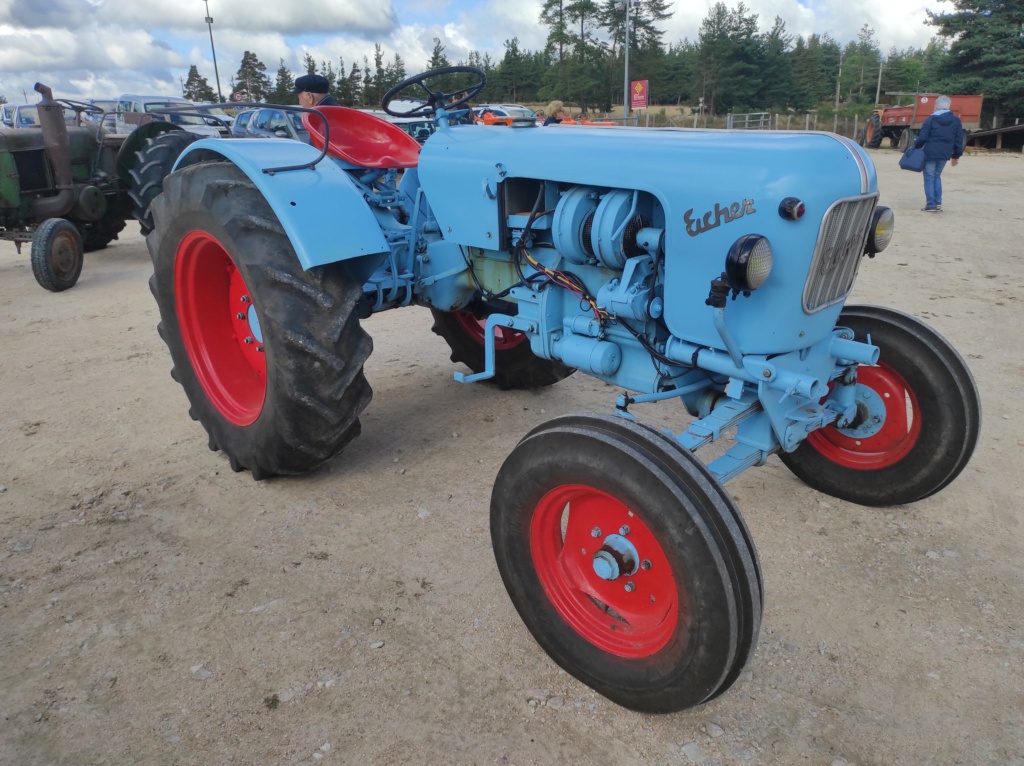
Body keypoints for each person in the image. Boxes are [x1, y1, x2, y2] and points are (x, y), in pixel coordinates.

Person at [913, 95, 963, 212]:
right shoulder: (956, 121)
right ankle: (938, 202)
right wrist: (956, 155)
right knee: (937, 176)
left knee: (929, 176)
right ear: (948, 106)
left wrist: (915, 147)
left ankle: (930, 204)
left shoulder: (930, 119)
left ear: (936, 106)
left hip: (930, 152)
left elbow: (923, 137)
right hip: (945, 153)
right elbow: (958, 140)